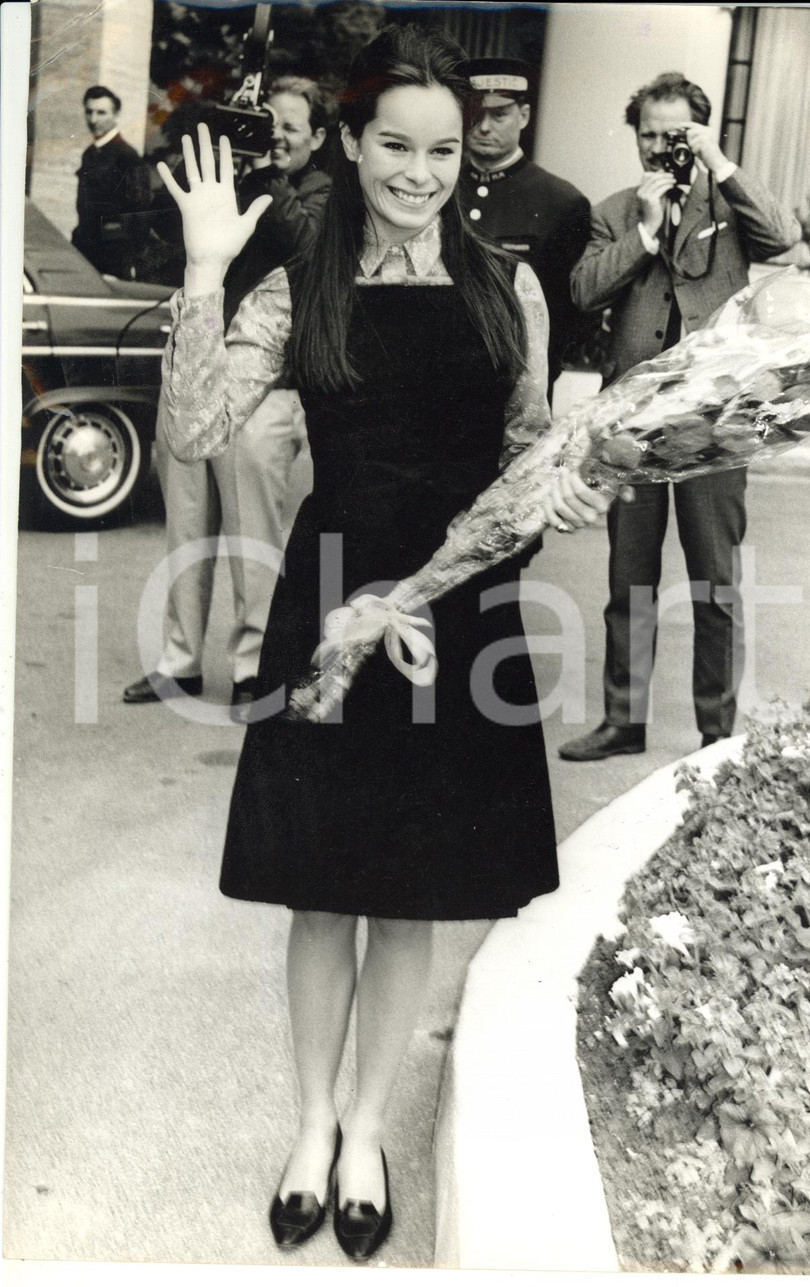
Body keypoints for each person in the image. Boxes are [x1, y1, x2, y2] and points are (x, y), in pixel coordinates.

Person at [153, 24, 612, 1260]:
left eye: (442, 149)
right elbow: (196, 430)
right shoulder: (296, 280)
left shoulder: (503, 282)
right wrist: (204, 271)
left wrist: (563, 479)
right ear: (352, 147)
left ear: (470, 156)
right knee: (321, 891)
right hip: (335, 600)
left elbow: (522, 447)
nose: (419, 171)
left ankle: (365, 1130)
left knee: (407, 896)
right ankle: (311, 1128)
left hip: (460, 609)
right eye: (394, 145)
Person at [559, 72, 801, 762]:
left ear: (698, 135)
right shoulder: (614, 209)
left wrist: (720, 165)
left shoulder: (728, 205)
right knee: (627, 576)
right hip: (634, 422)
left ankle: (717, 734)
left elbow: (784, 236)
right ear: (634, 138)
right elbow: (582, 289)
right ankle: (623, 720)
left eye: (676, 136)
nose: (661, 148)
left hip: (714, 419)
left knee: (714, 580)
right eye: (649, 136)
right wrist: (642, 228)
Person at [123, 78, 331, 719]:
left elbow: (309, 252)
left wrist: (269, 176)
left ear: (319, 137)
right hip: (195, 372)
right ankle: (179, 661)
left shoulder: (322, 192)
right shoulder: (227, 178)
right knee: (184, 526)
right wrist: (208, 155)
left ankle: (254, 666)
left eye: (290, 127)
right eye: (265, 124)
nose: (278, 136)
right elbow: (157, 232)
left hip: (267, 388)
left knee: (251, 529)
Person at [458, 57, 591, 400]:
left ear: (525, 115)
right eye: (475, 114)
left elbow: (566, 317)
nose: (484, 127)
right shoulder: (441, 187)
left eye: (499, 114)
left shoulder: (561, 202)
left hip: (514, 384)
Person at [72, 85, 150, 278]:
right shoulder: (89, 154)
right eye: (89, 112)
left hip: (111, 259)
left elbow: (139, 211)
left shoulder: (127, 156)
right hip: (84, 251)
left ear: (116, 115)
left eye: (101, 112)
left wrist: (124, 261)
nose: (93, 119)